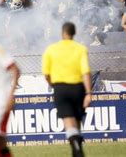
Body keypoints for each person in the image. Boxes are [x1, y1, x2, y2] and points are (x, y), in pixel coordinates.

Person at [42, 22, 92, 157]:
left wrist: (53, 85)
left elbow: (46, 74)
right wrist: (88, 93)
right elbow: (86, 72)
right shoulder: (80, 49)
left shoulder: (51, 49)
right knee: (76, 121)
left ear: (63, 33)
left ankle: (76, 148)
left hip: (60, 88)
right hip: (78, 88)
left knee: (69, 123)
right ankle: (77, 149)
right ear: (74, 33)